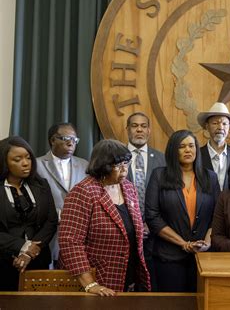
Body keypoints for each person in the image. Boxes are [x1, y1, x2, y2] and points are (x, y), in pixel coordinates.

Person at [59, 140, 150, 295]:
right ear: (104, 166)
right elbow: (70, 242)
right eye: (117, 165)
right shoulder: (83, 192)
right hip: (98, 279)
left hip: (130, 276)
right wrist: (90, 284)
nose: (124, 170)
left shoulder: (128, 187)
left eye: (126, 164)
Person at [145, 130, 220, 292]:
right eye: (182, 146)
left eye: (191, 146)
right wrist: (183, 243)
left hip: (203, 257)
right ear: (173, 150)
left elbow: (218, 215)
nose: (188, 150)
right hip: (168, 257)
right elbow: (152, 216)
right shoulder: (159, 175)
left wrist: (207, 242)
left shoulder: (210, 177)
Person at [0, 136, 58, 291]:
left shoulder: (41, 185)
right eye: (17, 159)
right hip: (4, 260)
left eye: (28, 157)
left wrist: (30, 253)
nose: (25, 163)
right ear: (4, 162)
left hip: (38, 260)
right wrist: (22, 246)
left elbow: (51, 221)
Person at [36, 122, 88, 267]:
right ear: (53, 140)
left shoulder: (85, 165)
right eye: (66, 138)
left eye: (74, 140)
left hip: (78, 237)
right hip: (49, 235)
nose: (71, 143)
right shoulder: (37, 165)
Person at [125, 112, 165, 288]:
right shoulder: (116, 156)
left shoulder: (162, 159)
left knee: (151, 284)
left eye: (143, 126)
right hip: (124, 230)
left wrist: (152, 223)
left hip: (155, 234)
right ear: (127, 130)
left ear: (149, 130)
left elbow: (165, 197)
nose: (139, 129)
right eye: (134, 126)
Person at [197, 102, 230, 190]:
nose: (220, 127)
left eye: (224, 124)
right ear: (207, 126)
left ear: (229, 127)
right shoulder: (197, 155)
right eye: (215, 123)